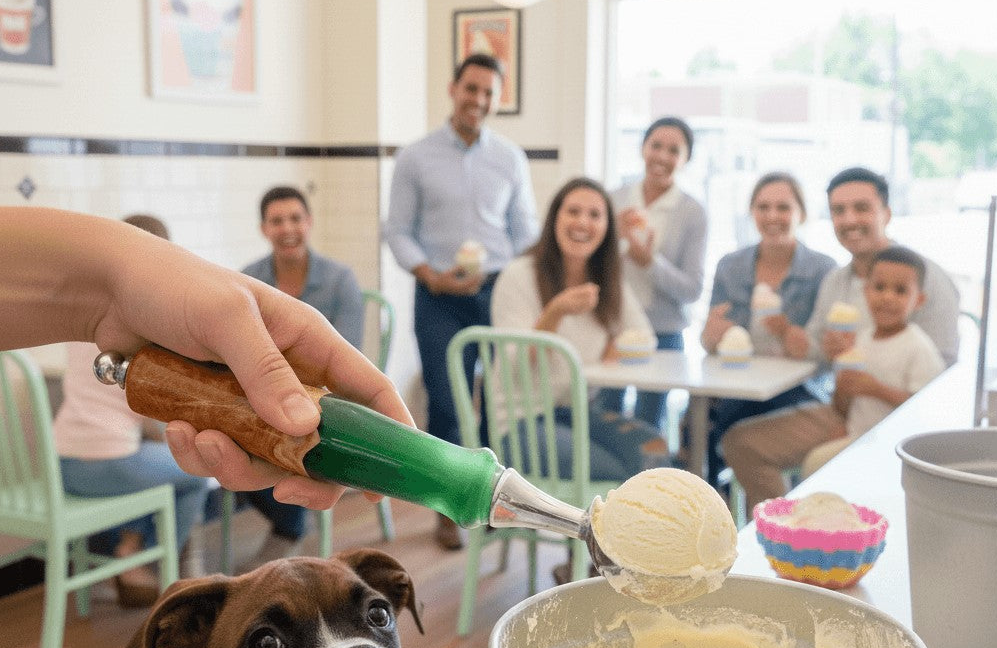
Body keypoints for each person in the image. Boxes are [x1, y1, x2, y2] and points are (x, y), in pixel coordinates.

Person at [0, 206, 412, 519]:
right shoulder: (160, 333)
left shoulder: (336, 279)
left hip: (60, 460)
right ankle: (188, 565)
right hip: (108, 461)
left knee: (239, 456)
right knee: (212, 471)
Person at [385, 53, 539, 549]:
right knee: (446, 402)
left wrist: (516, 276)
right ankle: (446, 507)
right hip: (437, 293)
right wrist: (431, 274)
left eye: (488, 93)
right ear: (453, 89)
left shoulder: (510, 159)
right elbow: (398, 232)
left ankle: (498, 502)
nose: (478, 100)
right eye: (471, 88)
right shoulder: (415, 157)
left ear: (497, 100)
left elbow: (524, 231)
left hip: (497, 293)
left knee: (499, 399)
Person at [52, 216, 211, 607]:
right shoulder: (144, 320)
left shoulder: (85, 313)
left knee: (151, 465)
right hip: (108, 466)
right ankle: (155, 568)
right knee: (196, 473)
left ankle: (132, 544)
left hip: (63, 464)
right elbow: (158, 421)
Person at [722, 246, 945, 511]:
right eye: (879, 287)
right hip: (852, 426)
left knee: (817, 463)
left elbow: (924, 411)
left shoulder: (919, 347)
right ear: (866, 291)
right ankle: (777, 520)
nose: (887, 297)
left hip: (886, 443)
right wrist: (844, 400)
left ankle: (798, 523)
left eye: (900, 291)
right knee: (741, 441)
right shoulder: (862, 339)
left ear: (918, 300)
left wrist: (874, 389)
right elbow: (844, 402)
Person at [490, 177, 671, 481]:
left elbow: (645, 337)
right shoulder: (519, 275)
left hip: (579, 413)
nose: (583, 223)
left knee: (655, 449)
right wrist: (556, 311)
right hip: (523, 422)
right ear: (555, 219)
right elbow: (517, 367)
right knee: (619, 474)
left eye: (594, 215)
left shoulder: (606, 278)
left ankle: (628, 527)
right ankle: (602, 527)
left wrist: (615, 344)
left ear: (606, 228)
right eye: (573, 212)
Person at [231, 184, 366, 565]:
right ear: (264, 228)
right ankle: (288, 523)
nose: (287, 228)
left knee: (278, 434)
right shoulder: (247, 279)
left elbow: (348, 359)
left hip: (326, 403)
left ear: (309, 223)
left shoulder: (341, 280)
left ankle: (288, 527)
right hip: (262, 398)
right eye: (277, 221)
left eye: (295, 218)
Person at [699, 172, 837, 483]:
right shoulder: (730, 266)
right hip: (738, 386)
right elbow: (711, 341)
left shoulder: (822, 269)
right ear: (752, 213)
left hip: (800, 390)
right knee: (698, 426)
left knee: (728, 427)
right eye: (763, 207)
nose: (772, 216)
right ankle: (709, 507)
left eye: (783, 208)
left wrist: (792, 336)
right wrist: (709, 337)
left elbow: (824, 356)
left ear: (801, 213)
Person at [778, 166, 960, 368]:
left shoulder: (927, 279)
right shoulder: (834, 281)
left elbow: (942, 368)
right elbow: (816, 349)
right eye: (838, 211)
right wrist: (792, 338)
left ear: (887, 214)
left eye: (862, 208)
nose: (849, 220)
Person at [608, 115, 707, 430]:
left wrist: (649, 262)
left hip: (664, 336)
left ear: (686, 159)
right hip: (613, 329)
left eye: (674, 150)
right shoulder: (614, 200)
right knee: (606, 417)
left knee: (649, 427)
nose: (663, 157)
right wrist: (614, 242)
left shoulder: (693, 212)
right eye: (656, 146)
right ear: (643, 149)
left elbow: (692, 289)